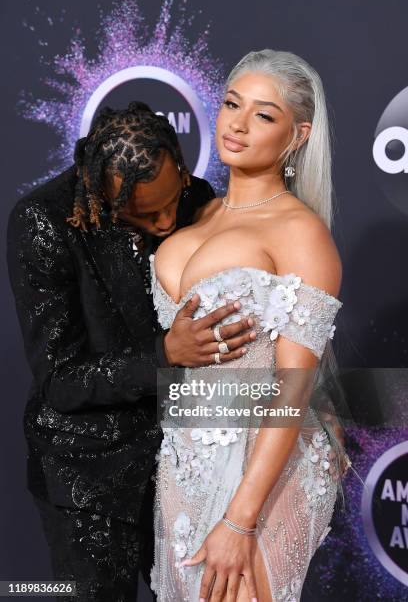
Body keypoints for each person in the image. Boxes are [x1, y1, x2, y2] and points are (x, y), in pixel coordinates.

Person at [6, 102, 257, 602]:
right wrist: (165, 351)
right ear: (98, 189)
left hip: (180, 461)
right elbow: (60, 381)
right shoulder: (45, 222)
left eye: (173, 200)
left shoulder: (196, 198)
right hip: (88, 478)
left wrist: (311, 403)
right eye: (145, 213)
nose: (167, 222)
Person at [150, 50, 350, 601]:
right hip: (186, 459)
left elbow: (294, 387)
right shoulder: (198, 215)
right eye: (232, 104)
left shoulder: (300, 233)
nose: (236, 123)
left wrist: (240, 518)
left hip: (265, 473)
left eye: (263, 115)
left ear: (297, 136)